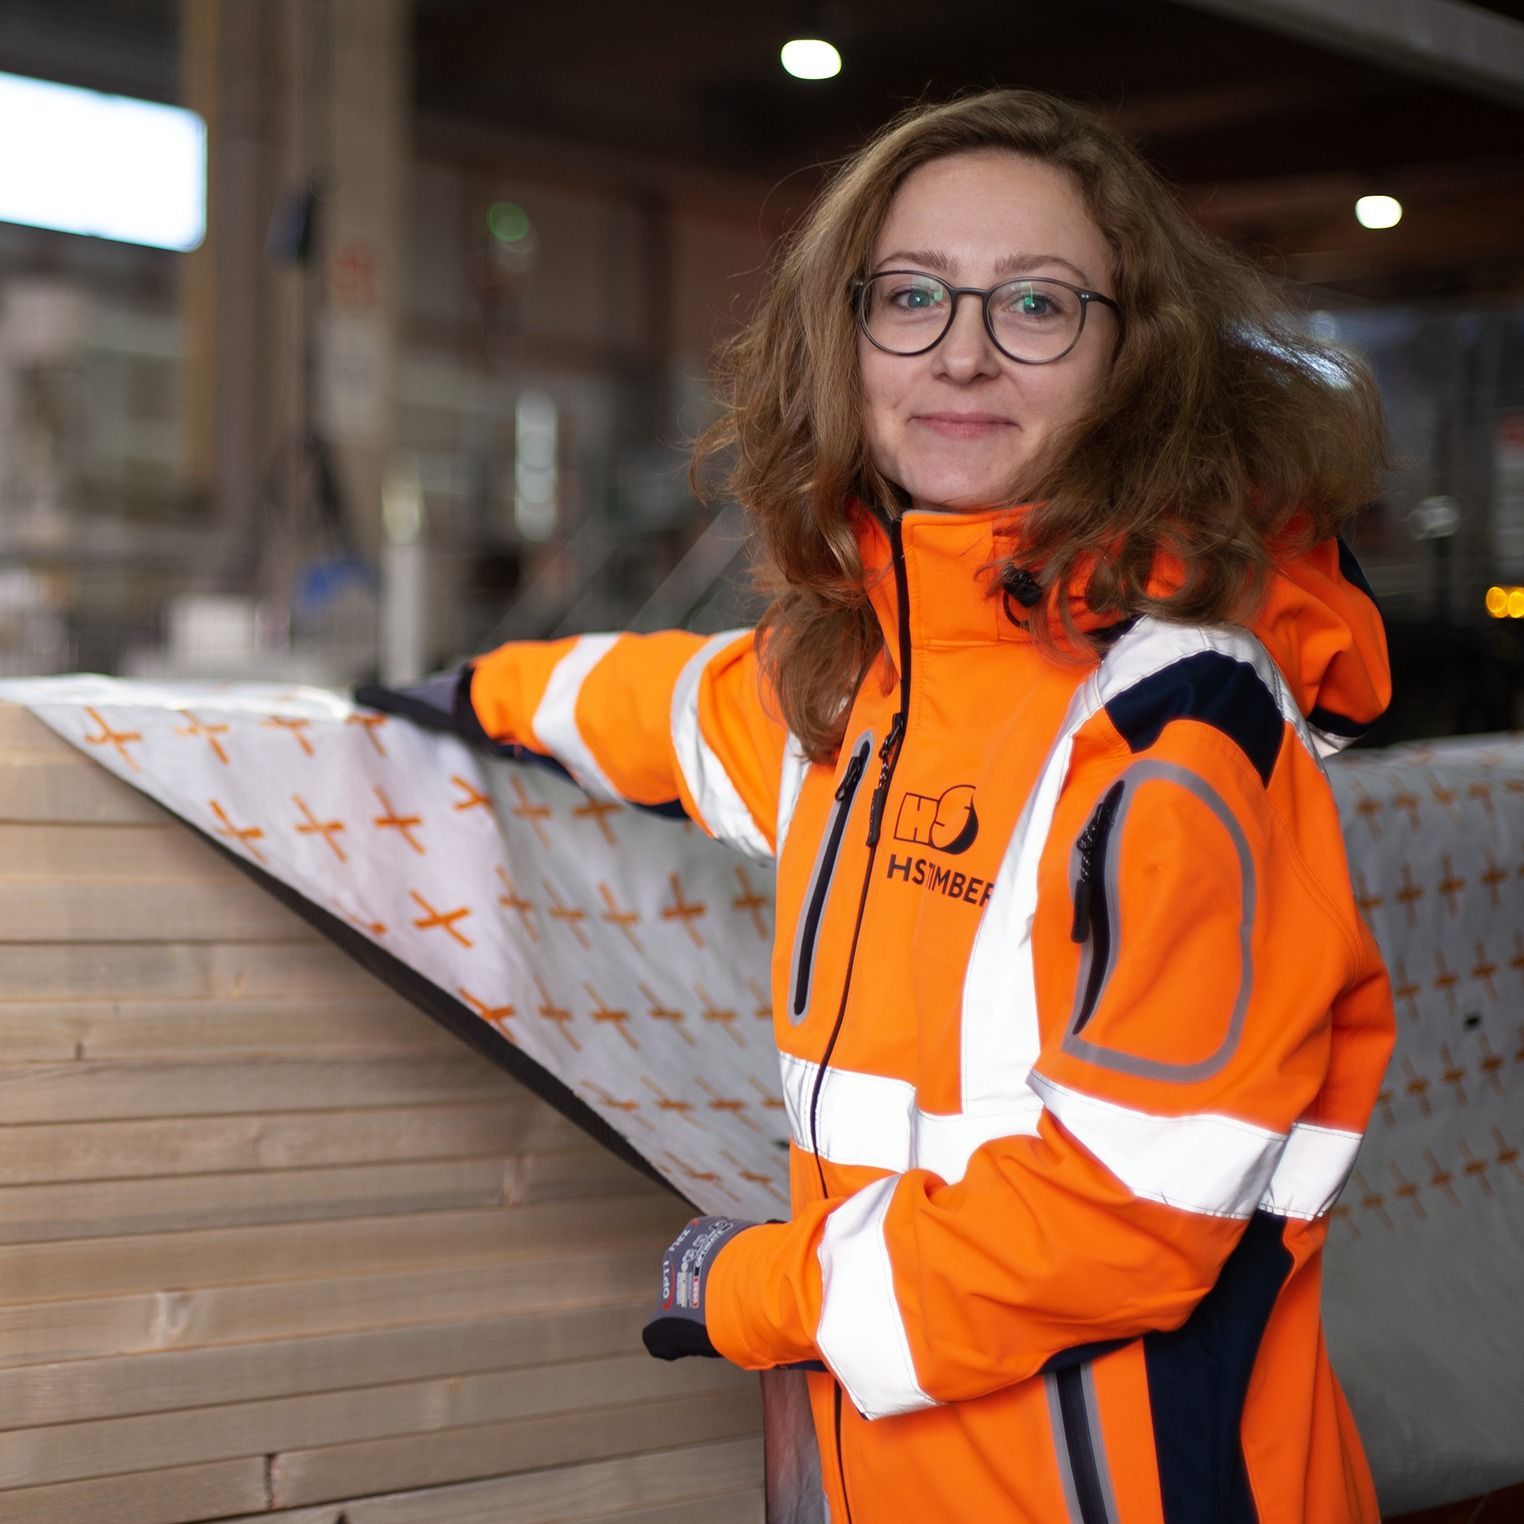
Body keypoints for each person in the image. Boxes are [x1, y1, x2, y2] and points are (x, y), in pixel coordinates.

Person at [402, 90, 1396, 1523]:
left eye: (1038, 305)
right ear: (846, 335)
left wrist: (762, 1290)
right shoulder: (876, 691)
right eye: (911, 297)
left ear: (1135, 357)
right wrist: (477, 694)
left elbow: (1126, 1215)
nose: (963, 353)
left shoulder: (1180, 736)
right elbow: (680, 710)